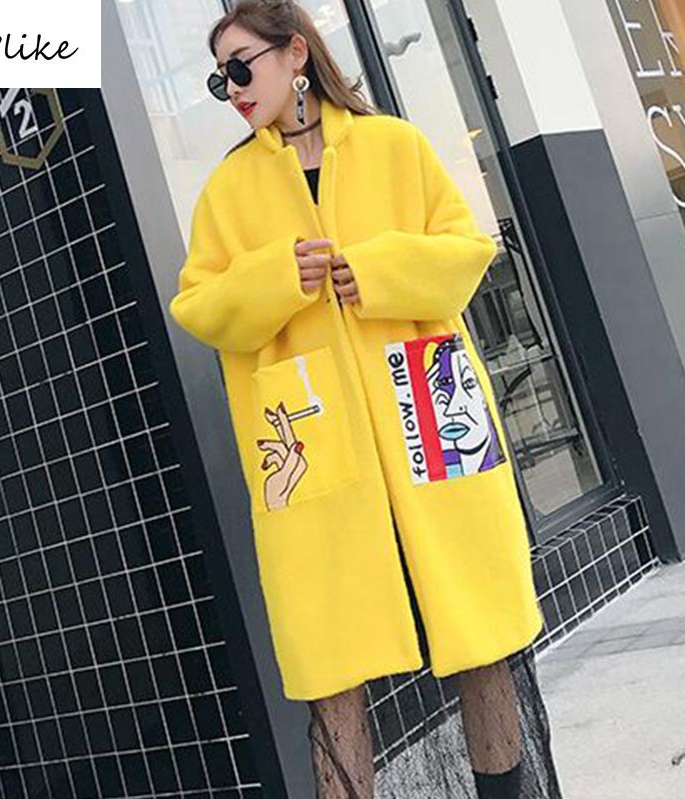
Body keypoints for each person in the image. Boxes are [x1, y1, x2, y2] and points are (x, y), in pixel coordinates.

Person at [169, 2, 558, 797]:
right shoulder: (228, 191)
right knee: (334, 673)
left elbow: (466, 249)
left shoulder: (394, 146)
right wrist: (278, 275)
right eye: (218, 79)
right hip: (314, 447)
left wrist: (376, 270)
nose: (232, 88)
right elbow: (199, 306)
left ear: (295, 54)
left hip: (430, 418)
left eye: (240, 66)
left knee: (480, 638)